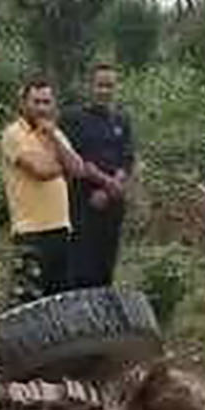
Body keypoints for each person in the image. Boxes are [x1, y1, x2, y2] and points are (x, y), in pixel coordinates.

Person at [61, 61, 136, 289]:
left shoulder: (122, 120)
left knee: (107, 259)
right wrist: (104, 184)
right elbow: (75, 160)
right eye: (100, 85)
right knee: (82, 261)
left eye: (110, 86)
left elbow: (127, 158)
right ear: (89, 86)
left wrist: (114, 186)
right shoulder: (73, 118)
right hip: (83, 201)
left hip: (113, 201)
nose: (105, 91)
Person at [0, 79, 77, 301]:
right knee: (29, 301)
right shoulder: (13, 134)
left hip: (61, 228)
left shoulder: (55, 133)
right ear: (23, 103)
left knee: (61, 301)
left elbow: (79, 169)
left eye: (47, 102)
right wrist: (65, 164)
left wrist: (53, 137)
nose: (42, 108)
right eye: (36, 102)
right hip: (30, 233)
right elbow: (40, 171)